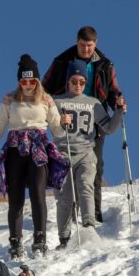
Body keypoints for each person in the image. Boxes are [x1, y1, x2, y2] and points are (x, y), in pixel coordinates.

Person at [0, 54, 70, 259]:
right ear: (19, 81)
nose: (28, 85)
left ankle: (40, 240)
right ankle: (15, 242)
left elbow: (57, 130)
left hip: (38, 148)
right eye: (24, 81)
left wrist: (64, 124)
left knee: (38, 193)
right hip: (15, 148)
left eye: (32, 81)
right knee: (16, 198)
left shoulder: (46, 99)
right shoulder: (9, 99)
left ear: (37, 81)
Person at [42, 26, 124, 224]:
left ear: (95, 44)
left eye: (89, 45)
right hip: (67, 122)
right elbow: (45, 87)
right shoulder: (62, 61)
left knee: (94, 168)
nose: (86, 49)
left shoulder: (105, 64)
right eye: (82, 45)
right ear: (76, 42)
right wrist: (49, 108)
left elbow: (113, 90)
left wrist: (118, 104)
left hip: (93, 119)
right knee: (68, 173)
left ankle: (93, 215)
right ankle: (71, 214)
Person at [53, 60, 126, 247]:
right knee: (64, 197)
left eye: (82, 82)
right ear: (68, 81)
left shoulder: (93, 103)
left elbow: (109, 128)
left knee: (86, 186)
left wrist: (119, 111)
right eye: (74, 81)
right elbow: (45, 122)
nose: (78, 85)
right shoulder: (57, 101)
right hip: (62, 154)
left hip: (86, 152)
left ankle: (88, 228)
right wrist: (59, 121)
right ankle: (64, 238)